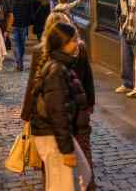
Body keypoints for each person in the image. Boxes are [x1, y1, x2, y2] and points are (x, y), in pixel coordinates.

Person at [22, 13, 97, 188]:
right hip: (57, 133)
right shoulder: (57, 70)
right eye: (74, 40)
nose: (78, 43)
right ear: (63, 42)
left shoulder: (62, 64)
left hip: (67, 127)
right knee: (62, 181)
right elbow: (57, 112)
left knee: (80, 174)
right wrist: (66, 149)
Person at [115, 0, 136, 94]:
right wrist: (120, 25)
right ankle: (127, 84)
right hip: (125, 30)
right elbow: (119, 11)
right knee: (125, 58)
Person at [8, 0, 33, 72]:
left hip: (13, 23)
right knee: (22, 43)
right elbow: (31, 11)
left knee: (15, 44)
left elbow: (7, 11)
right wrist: (30, 22)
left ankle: (19, 62)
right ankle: (20, 60)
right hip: (23, 23)